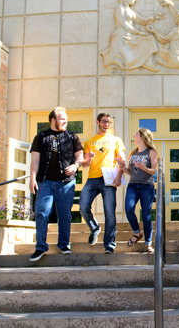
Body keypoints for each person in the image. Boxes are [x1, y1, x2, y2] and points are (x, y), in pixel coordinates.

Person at [29, 107, 84, 262]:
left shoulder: (72, 137)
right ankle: (40, 247)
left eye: (66, 118)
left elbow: (80, 157)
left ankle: (64, 244)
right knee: (41, 212)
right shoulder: (41, 137)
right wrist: (32, 178)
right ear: (53, 120)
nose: (65, 121)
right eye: (62, 119)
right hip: (45, 182)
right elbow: (35, 160)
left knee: (65, 214)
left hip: (65, 183)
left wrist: (75, 166)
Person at [79, 113, 126, 254]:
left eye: (109, 122)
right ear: (97, 122)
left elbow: (122, 161)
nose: (106, 124)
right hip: (92, 178)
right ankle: (94, 228)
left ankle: (110, 244)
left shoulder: (116, 140)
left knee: (110, 213)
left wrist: (119, 176)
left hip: (109, 178)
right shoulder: (89, 142)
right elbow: (84, 165)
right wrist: (89, 159)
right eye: (104, 122)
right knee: (83, 206)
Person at [101, 0, 163, 71]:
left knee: (149, 38)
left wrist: (153, 18)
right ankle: (146, 62)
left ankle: (148, 62)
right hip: (122, 36)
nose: (135, 0)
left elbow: (142, 21)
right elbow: (124, 24)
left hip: (130, 35)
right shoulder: (120, 8)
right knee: (147, 39)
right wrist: (137, 32)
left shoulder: (129, 10)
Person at [118, 127, 159, 252]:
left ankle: (148, 243)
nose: (134, 135)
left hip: (147, 186)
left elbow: (153, 171)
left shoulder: (152, 152)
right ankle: (137, 233)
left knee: (146, 216)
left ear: (142, 137)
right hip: (133, 185)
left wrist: (144, 167)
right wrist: (122, 167)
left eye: (136, 134)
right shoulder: (133, 153)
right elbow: (131, 172)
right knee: (129, 209)